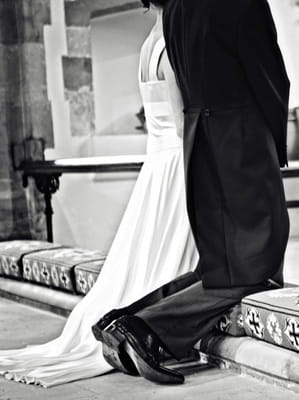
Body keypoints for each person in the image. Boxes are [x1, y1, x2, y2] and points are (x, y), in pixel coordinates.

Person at [0, 4, 199, 387]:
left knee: (146, 250)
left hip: (156, 163)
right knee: (169, 247)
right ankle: (151, 324)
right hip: (175, 162)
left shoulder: (147, 45)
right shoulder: (172, 45)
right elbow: (180, 118)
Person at [93, 0, 290, 385]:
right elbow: (267, 72)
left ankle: (119, 320)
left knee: (220, 265)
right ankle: (144, 328)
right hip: (242, 137)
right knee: (258, 269)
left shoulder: (178, 8)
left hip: (199, 138)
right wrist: (274, 141)